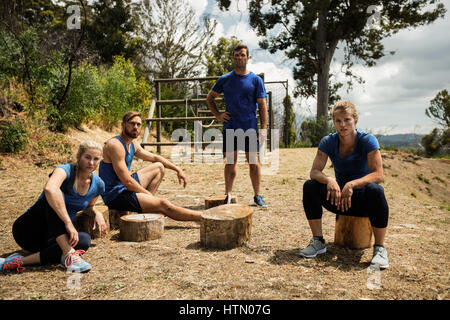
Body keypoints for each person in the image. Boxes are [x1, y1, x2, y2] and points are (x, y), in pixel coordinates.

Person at [300, 101, 389, 269]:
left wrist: (352, 184)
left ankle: (379, 249)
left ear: (355, 120)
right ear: (333, 122)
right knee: (310, 186)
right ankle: (318, 241)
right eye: (338, 121)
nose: (342, 125)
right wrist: (329, 180)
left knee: (376, 190)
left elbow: (379, 175)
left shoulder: (367, 140)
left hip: (363, 202)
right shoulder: (328, 141)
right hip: (339, 200)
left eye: (347, 120)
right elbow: (314, 171)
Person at [1, 141, 106, 273]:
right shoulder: (64, 170)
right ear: (79, 156)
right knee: (53, 196)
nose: (91, 163)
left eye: (96, 159)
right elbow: (50, 189)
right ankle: (68, 253)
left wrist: (97, 213)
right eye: (87, 157)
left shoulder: (98, 184)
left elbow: (89, 206)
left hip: (53, 237)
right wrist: (68, 222)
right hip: (29, 230)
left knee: (84, 240)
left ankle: (16, 262)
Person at [99, 111, 202, 221]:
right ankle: (203, 216)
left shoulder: (132, 143)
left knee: (159, 167)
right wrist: (149, 195)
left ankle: (147, 207)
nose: (135, 127)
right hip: (115, 195)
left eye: (138, 124)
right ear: (123, 125)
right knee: (163, 204)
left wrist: (177, 169)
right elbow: (127, 182)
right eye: (132, 123)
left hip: (124, 187)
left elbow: (155, 158)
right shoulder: (115, 145)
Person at [206, 43, 269, 207]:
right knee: (230, 162)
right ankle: (228, 194)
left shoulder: (256, 80)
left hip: (250, 128)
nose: (239, 58)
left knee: (254, 163)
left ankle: (258, 196)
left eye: (242, 55)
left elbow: (262, 106)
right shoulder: (225, 79)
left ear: (248, 58)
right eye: (236, 55)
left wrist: (263, 129)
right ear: (233, 58)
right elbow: (210, 98)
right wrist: (218, 115)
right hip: (231, 127)